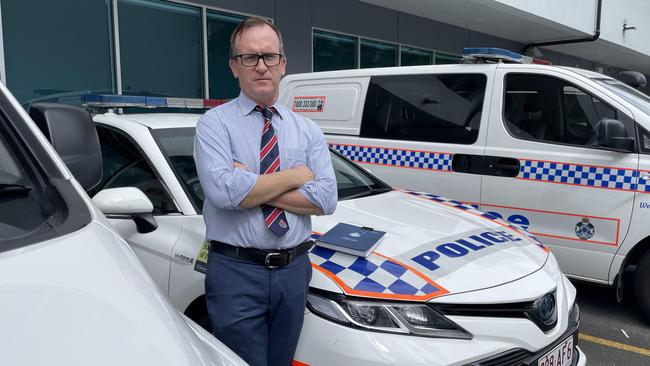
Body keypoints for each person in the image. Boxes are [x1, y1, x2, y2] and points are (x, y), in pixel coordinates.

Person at [193, 17, 337, 366]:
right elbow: (224, 193)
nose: (261, 66)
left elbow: (326, 199)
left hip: (294, 271)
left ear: (283, 64)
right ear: (234, 66)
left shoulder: (307, 130)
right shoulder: (213, 125)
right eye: (249, 57)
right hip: (235, 272)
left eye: (269, 56)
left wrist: (252, 185)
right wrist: (297, 176)